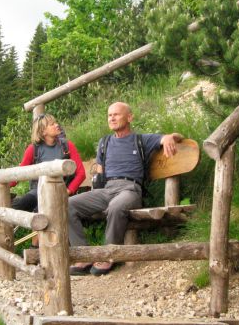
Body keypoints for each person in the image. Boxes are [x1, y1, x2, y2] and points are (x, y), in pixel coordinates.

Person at [68, 102, 182, 276]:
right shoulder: (104, 142)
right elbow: (99, 171)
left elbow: (175, 136)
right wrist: (94, 189)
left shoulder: (141, 139)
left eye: (116, 114)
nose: (112, 118)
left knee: (116, 206)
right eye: (109, 115)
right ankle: (84, 255)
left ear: (129, 117)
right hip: (106, 189)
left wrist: (168, 137)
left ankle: (109, 255)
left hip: (130, 189)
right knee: (67, 205)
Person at [0, 113, 85, 234]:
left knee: (40, 210)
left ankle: (35, 247)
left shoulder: (67, 146)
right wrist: (1, 185)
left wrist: (68, 191)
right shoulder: (33, 150)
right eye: (52, 124)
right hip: (37, 192)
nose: (57, 125)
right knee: (20, 203)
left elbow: (81, 173)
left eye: (55, 122)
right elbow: (19, 174)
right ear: (43, 131)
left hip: (60, 191)